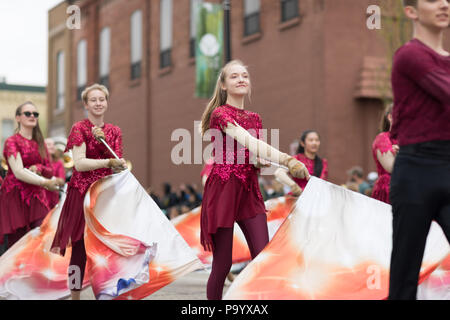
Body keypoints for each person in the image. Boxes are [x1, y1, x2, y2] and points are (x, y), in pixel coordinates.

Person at [199, 59, 309, 300]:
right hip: (224, 189)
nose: (241, 79)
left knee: (262, 256)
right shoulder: (220, 114)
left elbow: (252, 154)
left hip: (249, 190)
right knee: (223, 264)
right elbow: (249, 142)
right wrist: (288, 160)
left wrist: (261, 162)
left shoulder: (255, 118)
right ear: (224, 85)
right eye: (234, 76)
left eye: (244, 76)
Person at [388, 0, 450, 300]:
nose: (444, 4)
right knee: (405, 272)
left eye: (447, 0)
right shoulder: (409, 55)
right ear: (411, 11)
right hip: (416, 172)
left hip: (447, 165)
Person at [50, 83, 127, 300]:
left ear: (107, 102)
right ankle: (75, 296)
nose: (98, 103)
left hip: (104, 194)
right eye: (93, 100)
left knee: (106, 246)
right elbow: (80, 164)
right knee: (80, 247)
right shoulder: (79, 128)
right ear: (86, 104)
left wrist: (107, 150)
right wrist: (108, 159)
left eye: (102, 99)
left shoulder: (115, 131)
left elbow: (117, 163)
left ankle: (104, 293)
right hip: (82, 193)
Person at [0, 102, 60, 249]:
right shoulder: (11, 142)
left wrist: (38, 167)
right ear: (18, 118)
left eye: (35, 114)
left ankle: (36, 271)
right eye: (27, 113)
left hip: (37, 196)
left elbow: (50, 171)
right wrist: (45, 183)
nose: (32, 116)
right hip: (15, 196)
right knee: (19, 243)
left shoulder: (41, 143)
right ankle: (18, 272)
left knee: (42, 236)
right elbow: (19, 172)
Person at [274, 130, 328, 196]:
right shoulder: (296, 159)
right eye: (311, 140)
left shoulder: (323, 162)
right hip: (298, 198)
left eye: (317, 140)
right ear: (302, 143)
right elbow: (279, 172)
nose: (314, 143)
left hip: (315, 199)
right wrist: (293, 186)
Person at [371, 104, 399, 204]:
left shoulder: (409, 141)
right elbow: (391, 167)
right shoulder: (382, 138)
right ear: (390, 117)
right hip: (388, 190)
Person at [44, 138, 66, 209]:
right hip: (42, 196)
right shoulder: (39, 162)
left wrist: (49, 178)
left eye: (53, 144)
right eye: (49, 144)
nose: (52, 146)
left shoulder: (59, 163)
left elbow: (62, 181)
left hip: (53, 197)